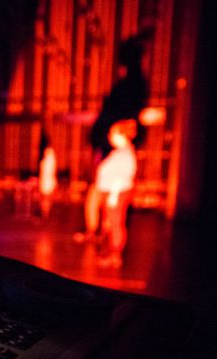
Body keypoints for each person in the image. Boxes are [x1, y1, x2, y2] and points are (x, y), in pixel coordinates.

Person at [76, 33, 149, 243]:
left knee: (108, 204)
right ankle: (100, 235)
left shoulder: (129, 89)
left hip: (110, 151)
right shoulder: (133, 87)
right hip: (110, 149)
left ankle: (104, 239)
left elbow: (118, 117)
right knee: (104, 201)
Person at [94, 119, 138, 268]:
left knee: (116, 223)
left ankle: (115, 255)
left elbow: (123, 176)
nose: (110, 136)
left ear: (121, 135)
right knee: (111, 223)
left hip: (117, 193)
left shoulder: (125, 153)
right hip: (113, 192)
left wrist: (113, 195)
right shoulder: (120, 152)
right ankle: (110, 252)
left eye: (113, 133)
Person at [37, 132, 57, 220]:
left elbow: (50, 168)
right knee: (45, 197)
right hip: (47, 178)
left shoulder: (48, 154)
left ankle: (45, 213)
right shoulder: (49, 154)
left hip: (47, 179)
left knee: (45, 197)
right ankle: (45, 213)